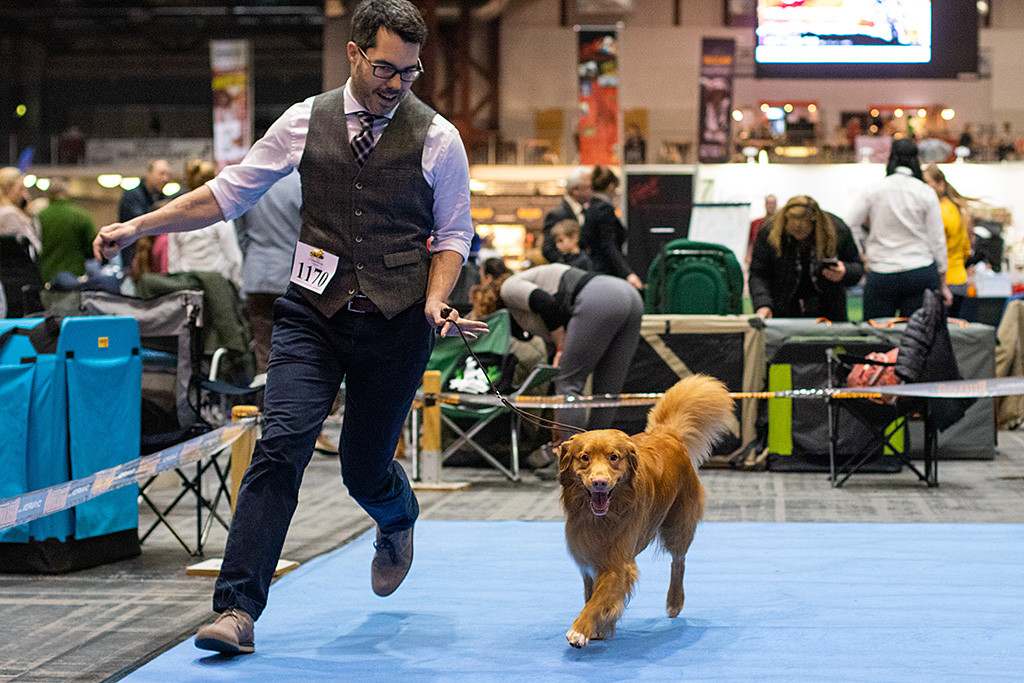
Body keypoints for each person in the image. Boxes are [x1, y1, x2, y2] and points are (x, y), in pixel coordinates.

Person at [93, 0, 486, 655]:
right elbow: (228, 193)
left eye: (410, 73)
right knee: (280, 447)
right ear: (354, 53)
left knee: (364, 470)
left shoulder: (440, 138)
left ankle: (398, 516)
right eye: (386, 68)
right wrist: (141, 224)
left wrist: (434, 298)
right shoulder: (305, 120)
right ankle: (236, 608)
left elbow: (453, 233)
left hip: (395, 325)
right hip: (312, 315)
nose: (397, 84)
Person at [500, 262, 644, 467]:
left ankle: (573, 465)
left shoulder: (509, 287)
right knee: (606, 393)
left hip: (600, 297)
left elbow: (546, 304)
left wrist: (560, 347)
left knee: (569, 384)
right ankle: (599, 461)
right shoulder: (532, 299)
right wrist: (559, 421)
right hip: (629, 296)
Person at [847, 138, 952, 319]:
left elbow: (849, 224)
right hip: (920, 270)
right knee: (919, 338)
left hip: (881, 271)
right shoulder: (924, 191)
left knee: (877, 335)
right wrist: (943, 282)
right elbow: (937, 239)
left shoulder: (874, 190)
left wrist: (861, 253)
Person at [748, 196, 864, 321]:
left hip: (829, 310)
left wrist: (845, 271)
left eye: (804, 232)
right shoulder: (769, 232)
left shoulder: (837, 230)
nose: (799, 237)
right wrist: (763, 304)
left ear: (815, 224)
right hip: (783, 309)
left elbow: (857, 267)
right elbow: (758, 274)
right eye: (793, 233)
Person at [234, 168, 303, 375]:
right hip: (292, 277)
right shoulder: (301, 183)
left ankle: (266, 402)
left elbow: (241, 235)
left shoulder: (253, 184)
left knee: (263, 350)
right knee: (299, 347)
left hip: (257, 276)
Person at [167, 159, 244, 289]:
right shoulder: (221, 217)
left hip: (187, 285)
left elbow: (173, 261)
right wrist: (236, 284)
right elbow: (234, 258)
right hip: (217, 286)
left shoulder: (178, 217)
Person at [580, 165, 643, 290]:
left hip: (595, 269)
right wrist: (628, 273)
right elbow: (609, 245)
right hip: (607, 271)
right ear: (611, 186)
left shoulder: (591, 207)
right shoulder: (605, 209)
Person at [923, 163, 972, 317]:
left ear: (940, 185)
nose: (922, 187)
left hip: (943, 282)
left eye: (926, 182)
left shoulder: (938, 212)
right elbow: (966, 249)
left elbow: (936, 247)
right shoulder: (955, 208)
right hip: (959, 279)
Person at [37, 178, 97, 283]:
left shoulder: (40, 216)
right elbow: (92, 247)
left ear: (48, 195)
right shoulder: (81, 215)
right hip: (74, 276)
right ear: (66, 193)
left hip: (47, 276)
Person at [117, 159, 171, 273]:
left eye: (167, 174)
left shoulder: (163, 197)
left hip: (153, 262)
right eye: (161, 174)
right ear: (149, 174)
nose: (165, 178)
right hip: (133, 262)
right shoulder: (132, 196)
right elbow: (144, 224)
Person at [541, 166, 590, 264]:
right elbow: (548, 249)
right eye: (588, 187)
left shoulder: (588, 211)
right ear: (575, 189)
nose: (591, 191)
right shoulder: (556, 215)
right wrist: (567, 266)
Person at [0, 166, 41, 256]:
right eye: (21, 189)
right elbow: (35, 247)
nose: (25, 195)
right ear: (7, 189)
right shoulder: (9, 214)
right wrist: (31, 216)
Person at [747, 194, 777, 262]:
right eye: (769, 203)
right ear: (765, 205)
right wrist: (748, 257)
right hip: (758, 258)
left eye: (773, 203)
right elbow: (749, 243)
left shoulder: (781, 224)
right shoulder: (755, 223)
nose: (771, 206)